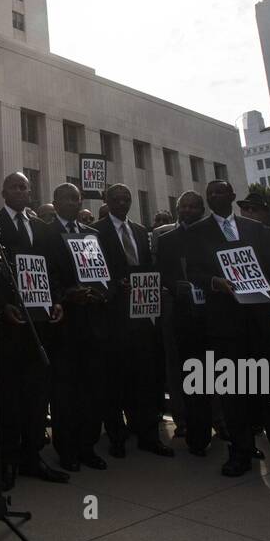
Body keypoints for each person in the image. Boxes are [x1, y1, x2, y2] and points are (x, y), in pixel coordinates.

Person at [185, 180, 270, 482]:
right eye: (210, 194)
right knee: (234, 392)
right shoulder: (196, 232)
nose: (215, 196)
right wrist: (214, 282)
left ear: (233, 197)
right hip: (225, 323)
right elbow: (192, 272)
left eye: (221, 192)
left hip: (262, 321)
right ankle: (241, 452)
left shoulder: (258, 230)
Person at [0, 172, 68, 489]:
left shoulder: (42, 228)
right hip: (9, 326)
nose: (22, 190)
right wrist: (1, 306)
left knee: (36, 395)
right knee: (10, 396)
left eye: (26, 186)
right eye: (15, 186)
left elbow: (54, 269)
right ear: (4, 191)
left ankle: (33, 457)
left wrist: (59, 300)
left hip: (40, 325)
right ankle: (8, 462)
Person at [92, 184, 173, 459]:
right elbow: (94, 272)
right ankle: (116, 436)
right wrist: (115, 286)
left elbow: (149, 268)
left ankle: (148, 435)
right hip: (112, 318)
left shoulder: (140, 232)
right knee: (114, 381)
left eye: (127, 198)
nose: (122, 202)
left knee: (144, 380)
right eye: (116, 198)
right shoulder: (95, 232)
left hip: (141, 318)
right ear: (107, 201)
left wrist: (155, 287)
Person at [44, 182, 110, 472]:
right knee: (64, 392)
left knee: (92, 389)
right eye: (66, 198)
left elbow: (102, 276)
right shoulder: (43, 234)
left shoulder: (93, 235)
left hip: (92, 324)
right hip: (63, 326)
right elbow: (43, 274)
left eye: (76, 198)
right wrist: (66, 295)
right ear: (55, 202)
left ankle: (88, 446)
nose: (72, 202)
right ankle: (67, 449)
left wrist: (99, 293)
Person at [152, 192, 210, 450]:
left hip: (210, 313)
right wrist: (175, 287)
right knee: (178, 370)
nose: (187, 210)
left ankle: (218, 421)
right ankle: (184, 421)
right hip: (179, 313)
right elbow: (160, 273)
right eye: (182, 206)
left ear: (201, 209)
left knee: (212, 370)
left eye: (192, 206)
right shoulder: (166, 239)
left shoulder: (212, 235)